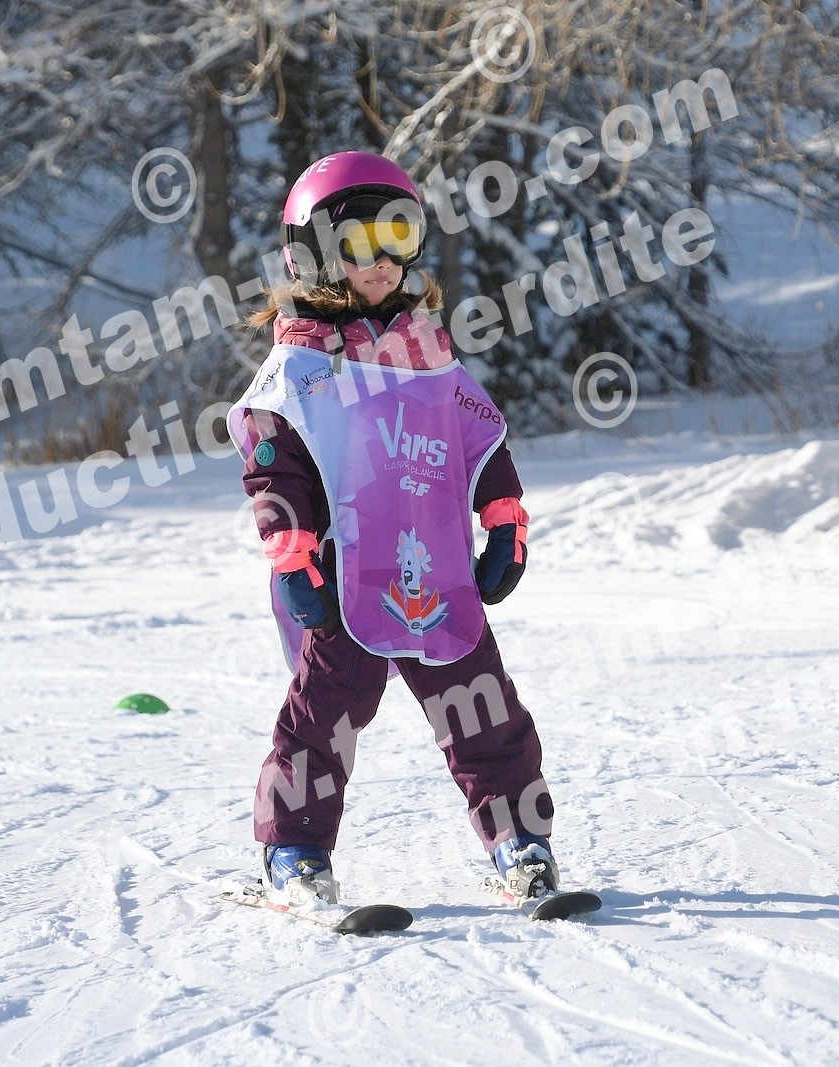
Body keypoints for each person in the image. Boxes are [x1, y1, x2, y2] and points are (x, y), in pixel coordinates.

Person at [228, 151, 559, 906]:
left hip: (434, 569)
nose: (382, 260)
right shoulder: (300, 367)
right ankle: (294, 849)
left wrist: (504, 523)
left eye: (399, 236)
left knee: (483, 706)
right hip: (344, 572)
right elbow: (274, 468)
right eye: (359, 241)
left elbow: (480, 441)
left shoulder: (426, 353)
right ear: (314, 251)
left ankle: (519, 839)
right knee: (324, 718)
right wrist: (293, 557)